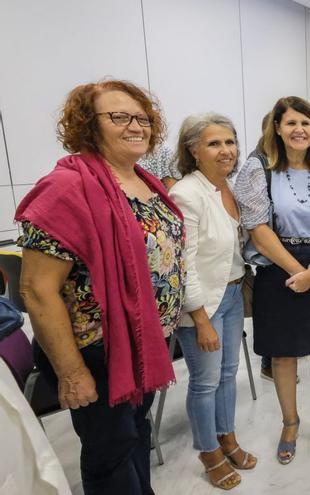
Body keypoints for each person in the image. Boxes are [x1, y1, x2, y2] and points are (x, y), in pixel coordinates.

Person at [16, 80, 183, 494]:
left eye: (143, 118)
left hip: (143, 343)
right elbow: (37, 290)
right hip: (96, 352)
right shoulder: (66, 188)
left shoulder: (145, 181)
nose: (136, 126)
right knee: (109, 454)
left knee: (135, 437)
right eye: (119, 117)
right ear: (89, 126)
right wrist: (72, 373)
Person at [233, 96, 310, 464]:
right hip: (277, 266)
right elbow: (257, 228)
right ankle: (290, 423)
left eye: (306, 122)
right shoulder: (260, 171)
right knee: (282, 353)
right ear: (277, 129)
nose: (299, 129)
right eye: (291, 123)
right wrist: (295, 271)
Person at [169, 113, 255, 490]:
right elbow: (182, 264)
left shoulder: (229, 187)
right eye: (214, 143)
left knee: (227, 374)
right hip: (202, 303)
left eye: (230, 142)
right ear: (193, 150)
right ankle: (208, 451)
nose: (226, 151)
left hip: (234, 292)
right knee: (205, 382)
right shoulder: (187, 193)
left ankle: (227, 438)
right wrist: (200, 318)